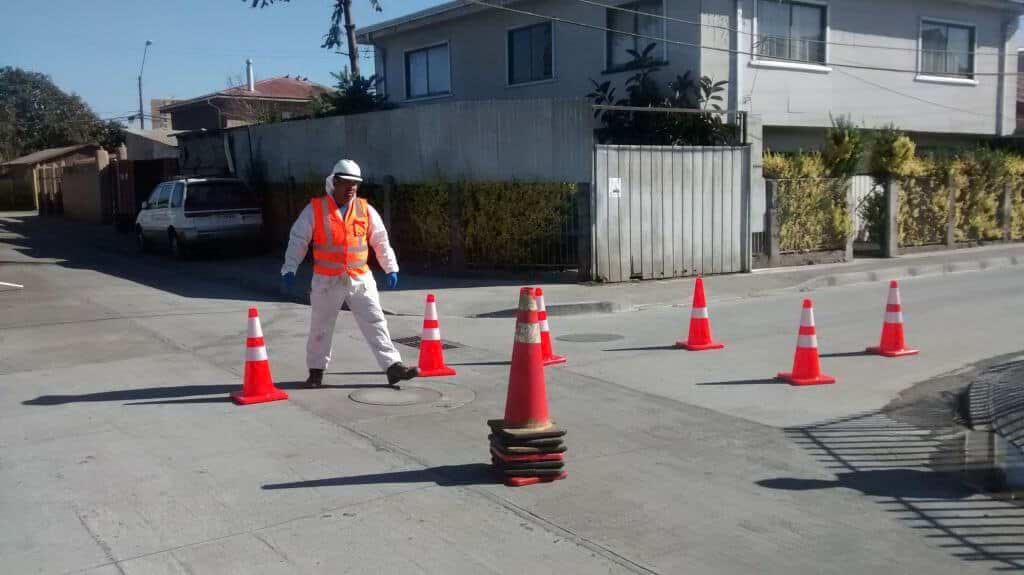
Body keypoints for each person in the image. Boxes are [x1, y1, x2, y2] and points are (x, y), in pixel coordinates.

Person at [280, 158, 419, 388]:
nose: (351, 188)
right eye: (347, 183)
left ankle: (393, 367)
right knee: (321, 326)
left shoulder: (365, 209)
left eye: (355, 184)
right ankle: (316, 372)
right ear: (334, 183)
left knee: (376, 321)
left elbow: (380, 240)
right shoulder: (315, 209)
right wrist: (289, 267)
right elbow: (298, 240)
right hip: (327, 280)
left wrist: (390, 266)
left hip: (359, 279)